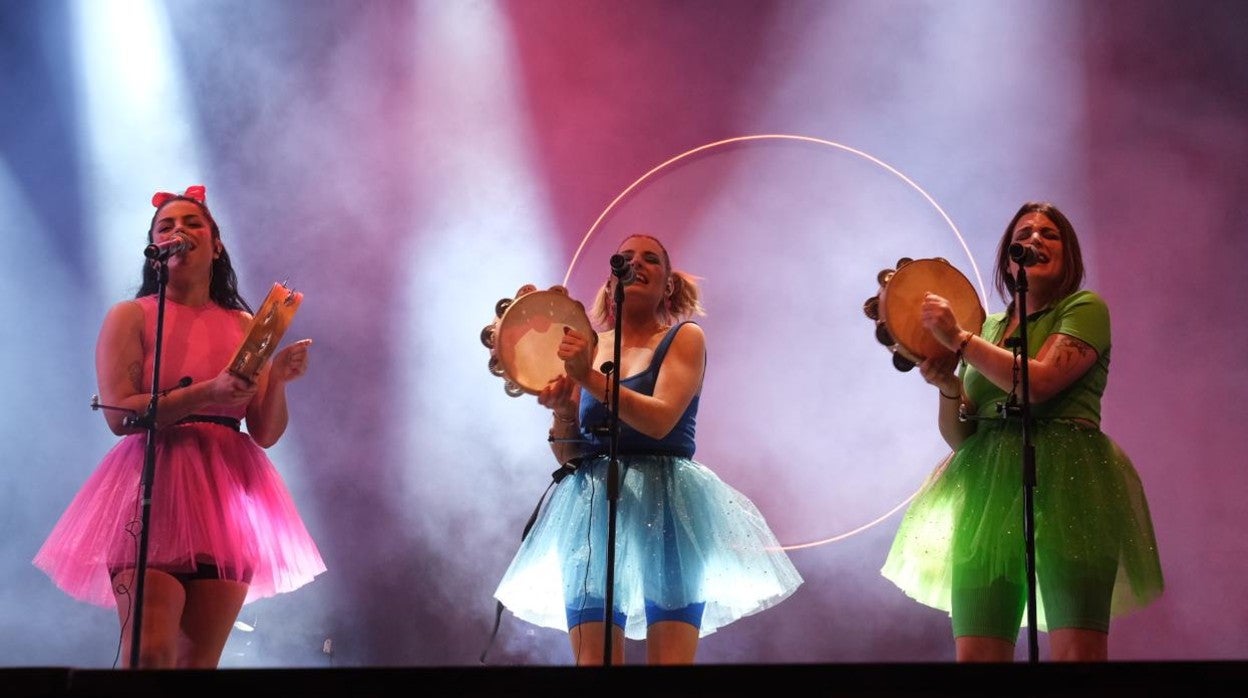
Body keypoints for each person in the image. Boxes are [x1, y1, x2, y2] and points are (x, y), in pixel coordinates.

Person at [33, 185, 326, 668]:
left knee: (199, 663)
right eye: (165, 226)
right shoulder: (131, 316)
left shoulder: (243, 323)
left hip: (225, 494)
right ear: (153, 249)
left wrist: (280, 382)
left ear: (217, 243)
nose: (178, 232)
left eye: (192, 223)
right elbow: (118, 415)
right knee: (149, 651)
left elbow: (265, 432)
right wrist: (206, 392)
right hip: (151, 484)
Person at [492, 234, 803, 665]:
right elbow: (570, 458)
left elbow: (659, 421)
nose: (636, 263)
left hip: (671, 508)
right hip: (592, 509)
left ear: (668, 284)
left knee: (669, 669)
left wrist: (589, 378)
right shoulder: (588, 345)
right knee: (593, 665)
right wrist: (564, 410)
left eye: (651, 259)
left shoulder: (684, 338)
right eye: (626, 257)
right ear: (612, 277)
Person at [881, 201, 1164, 662]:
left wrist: (960, 341)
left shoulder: (1084, 308)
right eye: (1025, 233)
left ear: (1068, 253)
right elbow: (962, 439)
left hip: (1072, 486)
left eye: (1049, 234)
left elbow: (1042, 382)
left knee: (1078, 654)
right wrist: (950, 387)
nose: (1034, 240)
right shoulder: (987, 328)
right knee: (977, 656)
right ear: (1006, 255)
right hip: (986, 495)